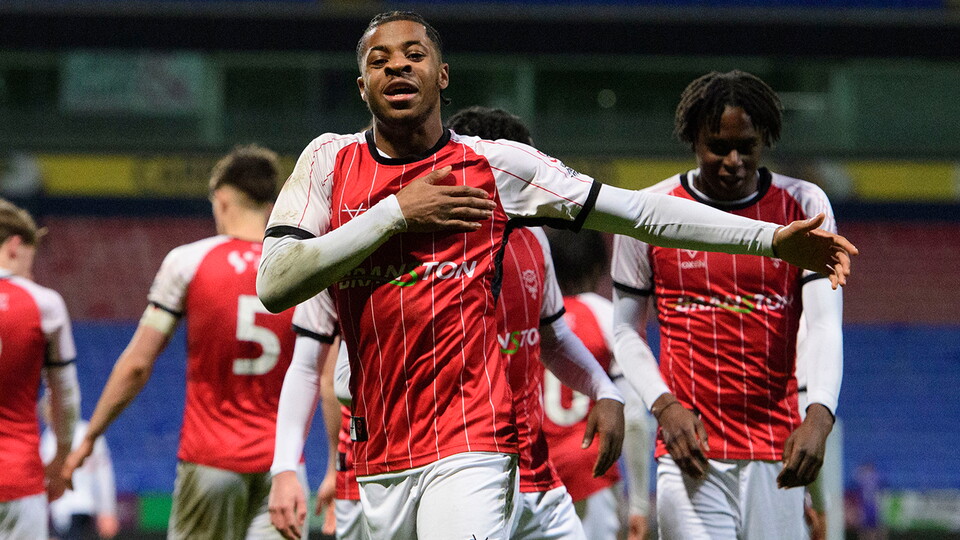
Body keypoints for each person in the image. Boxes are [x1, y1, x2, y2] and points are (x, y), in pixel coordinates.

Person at [256, 12, 856, 540]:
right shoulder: (327, 161)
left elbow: (640, 211)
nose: (398, 67)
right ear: (363, 86)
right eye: (379, 61)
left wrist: (769, 239)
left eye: (415, 55)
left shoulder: (494, 167)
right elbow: (275, 284)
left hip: (474, 439)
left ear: (442, 76)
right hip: (377, 449)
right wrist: (396, 213)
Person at [610, 70, 845, 539]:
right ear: (693, 138)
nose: (733, 161)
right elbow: (623, 331)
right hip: (690, 449)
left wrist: (819, 416)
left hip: (777, 450)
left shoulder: (804, 206)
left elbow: (822, 325)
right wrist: (664, 407)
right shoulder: (648, 210)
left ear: (766, 141)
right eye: (718, 146)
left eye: (748, 147)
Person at [62, 145, 304, 540]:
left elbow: (139, 363)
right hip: (285, 467)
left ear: (222, 200)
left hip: (211, 461)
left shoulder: (188, 262)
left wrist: (89, 438)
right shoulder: (297, 269)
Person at [543, 227, 655, 540]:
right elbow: (633, 419)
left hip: (533, 474)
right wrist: (639, 505)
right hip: (589, 471)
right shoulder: (608, 317)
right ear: (599, 268)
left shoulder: (526, 317)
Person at [0, 199, 80, 539]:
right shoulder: (43, 304)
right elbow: (65, 396)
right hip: (17, 478)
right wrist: (61, 457)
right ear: (16, 246)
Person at [41, 414, 119, 540]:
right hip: (71, 508)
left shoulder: (52, 436)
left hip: (72, 507)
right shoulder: (87, 432)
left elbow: (103, 474)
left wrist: (107, 510)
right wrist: (107, 510)